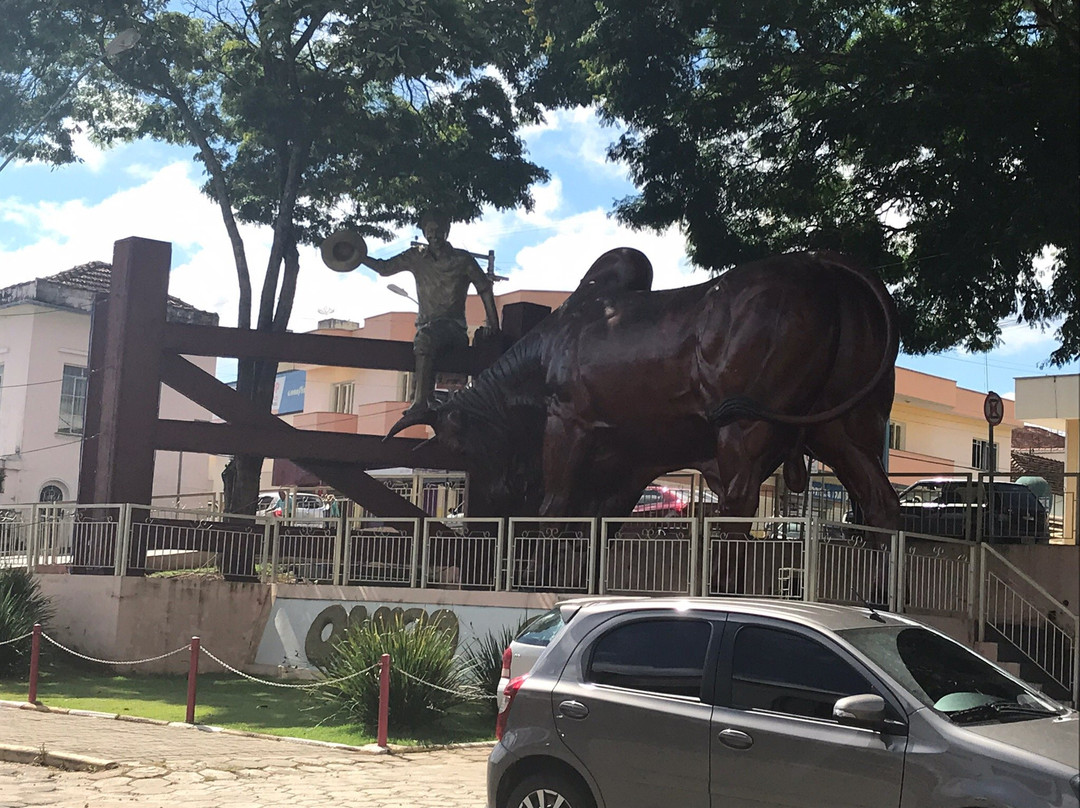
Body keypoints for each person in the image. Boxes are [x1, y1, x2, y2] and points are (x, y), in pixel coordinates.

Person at [357, 211, 500, 412]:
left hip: (454, 330)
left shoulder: (462, 259)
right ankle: (427, 397)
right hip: (427, 327)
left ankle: (421, 402)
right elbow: (385, 267)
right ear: (424, 232)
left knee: (425, 338)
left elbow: (484, 288)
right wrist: (358, 257)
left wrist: (493, 323)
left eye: (439, 230)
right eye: (430, 230)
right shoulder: (417, 257)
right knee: (425, 335)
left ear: (447, 231)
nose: (434, 235)